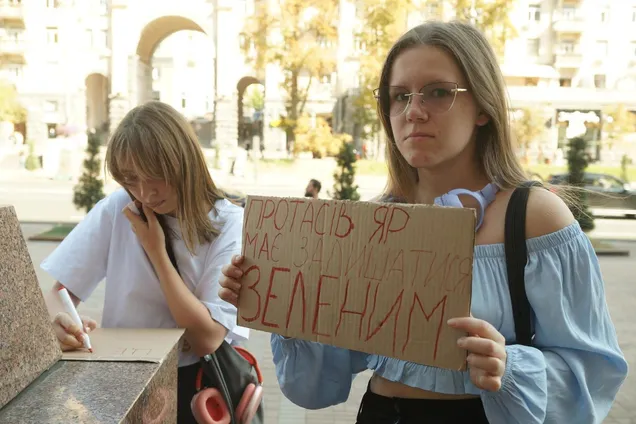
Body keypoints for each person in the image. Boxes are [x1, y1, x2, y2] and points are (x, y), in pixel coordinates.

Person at [218, 21, 628, 423]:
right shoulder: (376, 220)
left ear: (483, 107)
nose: (414, 112)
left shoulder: (534, 216)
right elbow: (318, 387)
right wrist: (285, 305)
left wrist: (510, 368)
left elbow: (592, 376)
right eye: (399, 96)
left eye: (438, 93)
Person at [42, 101, 248, 424]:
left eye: (155, 176)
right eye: (130, 179)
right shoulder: (119, 207)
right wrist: (64, 324)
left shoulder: (229, 223)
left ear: (182, 160)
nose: (145, 193)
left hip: (193, 386)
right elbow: (59, 292)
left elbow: (206, 337)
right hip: (120, 379)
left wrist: (156, 252)